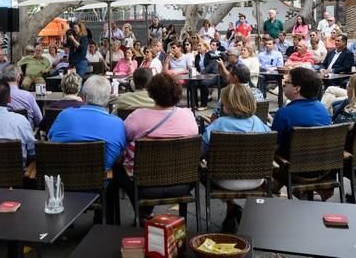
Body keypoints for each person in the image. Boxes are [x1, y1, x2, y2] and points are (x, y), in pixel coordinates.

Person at [116, 73, 198, 219]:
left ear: (151, 92)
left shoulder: (138, 117)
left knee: (117, 167)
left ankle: (139, 214)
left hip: (144, 186)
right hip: (183, 183)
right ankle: (145, 213)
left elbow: (123, 139)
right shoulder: (188, 116)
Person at [203, 84, 271, 232]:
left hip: (224, 180)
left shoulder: (218, 125)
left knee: (201, 171)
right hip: (256, 178)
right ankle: (232, 210)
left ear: (227, 104)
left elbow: (200, 152)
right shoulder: (259, 123)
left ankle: (231, 206)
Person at [48, 75, 126, 172]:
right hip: (100, 181)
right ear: (108, 97)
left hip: (62, 177)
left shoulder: (65, 115)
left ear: (83, 96)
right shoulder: (118, 124)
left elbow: (50, 139)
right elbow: (120, 156)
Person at [272, 67, 331, 156]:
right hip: (322, 164)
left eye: (288, 82)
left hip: (289, 165)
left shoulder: (284, 113)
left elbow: (274, 145)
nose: (284, 84)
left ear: (297, 89)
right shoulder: (323, 109)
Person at [0, 65, 43, 129]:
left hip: (3, 133)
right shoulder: (28, 96)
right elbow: (39, 120)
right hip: (25, 135)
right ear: (18, 77)